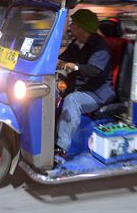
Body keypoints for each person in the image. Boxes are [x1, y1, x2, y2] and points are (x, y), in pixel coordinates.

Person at [55, 9, 114, 162]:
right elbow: (62, 59)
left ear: (82, 27)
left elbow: (93, 71)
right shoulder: (77, 43)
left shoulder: (100, 47)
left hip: (96, 92)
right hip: (79, 87)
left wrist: (73, 66)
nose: (71, 26)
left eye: (73, 23)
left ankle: (61, 149)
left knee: (72, 100)